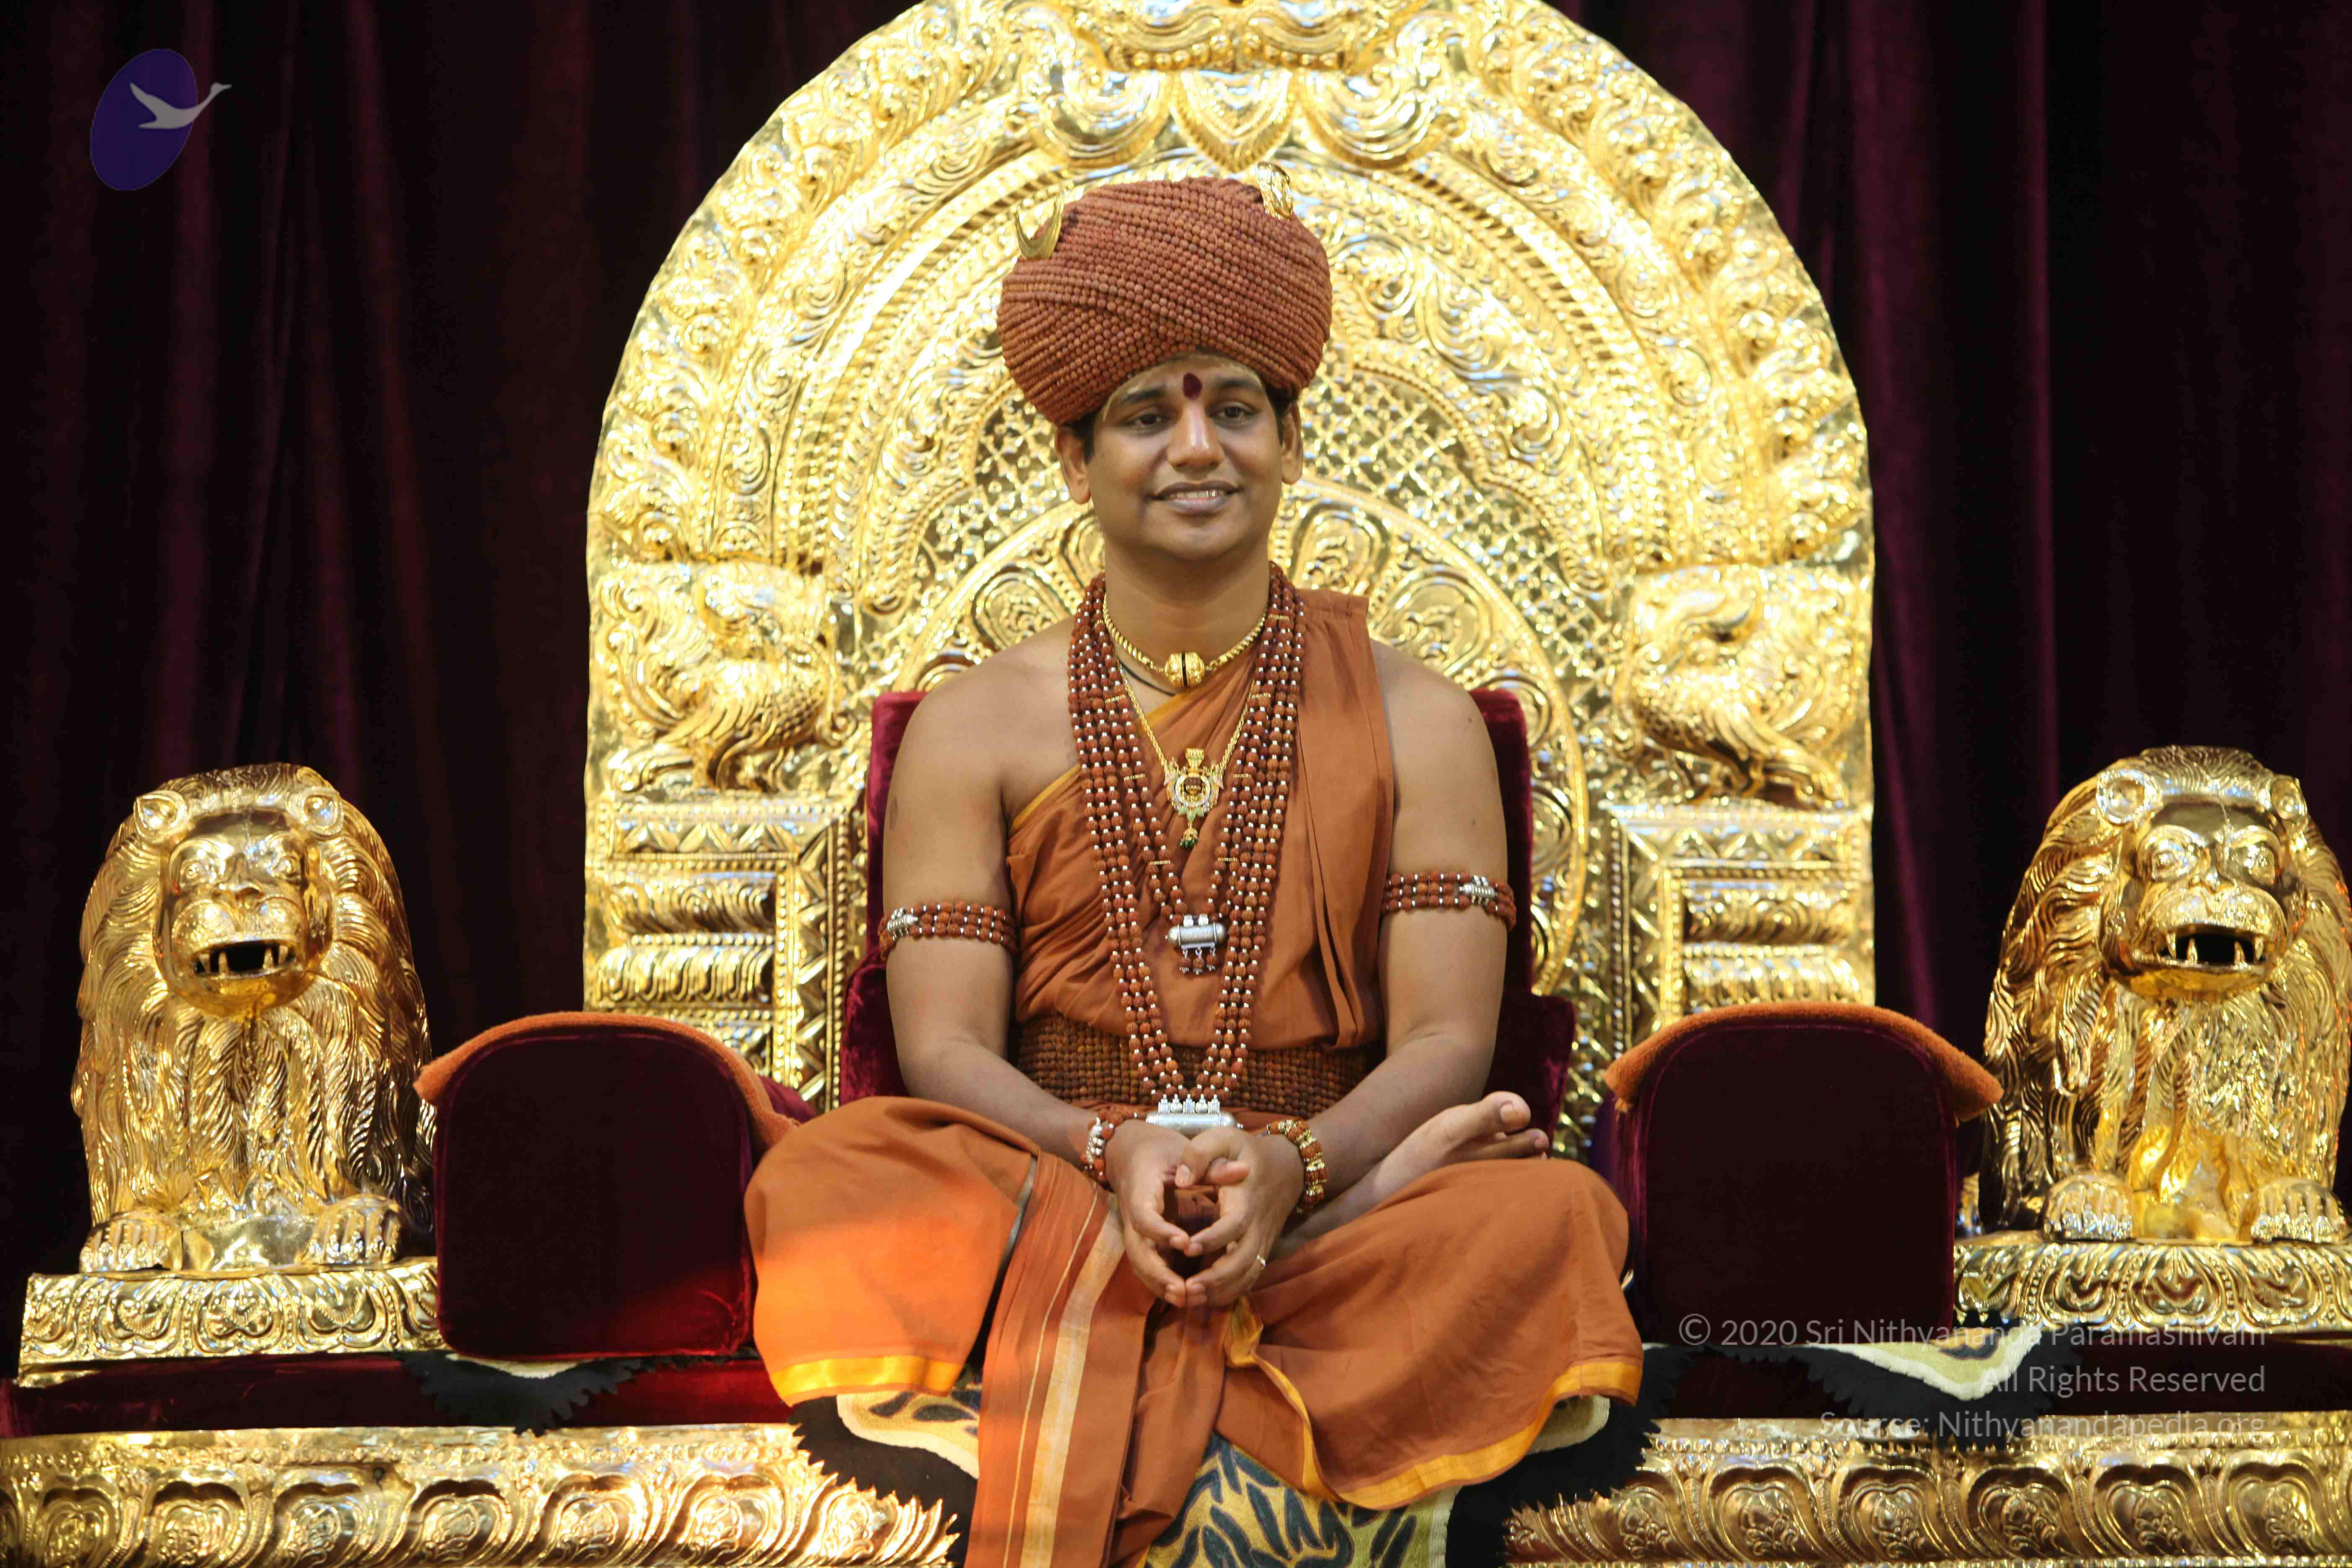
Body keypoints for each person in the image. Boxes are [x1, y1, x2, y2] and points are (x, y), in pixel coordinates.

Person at [744, 175, 1640, 1568]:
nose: (1197, 449)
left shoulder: (1421, 718)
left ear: (1292, 437)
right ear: (1073, 457)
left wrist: (1297, 1169)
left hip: (1326, 1177)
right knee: (834, 1182)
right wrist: (1113, 1156)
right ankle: (1231, 1282)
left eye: (1234, 407)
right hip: (1053, 1171)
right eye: (1146, 417)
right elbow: (943, 1048)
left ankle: (1292, 1244)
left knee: (1549, 1219)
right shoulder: (977, 724)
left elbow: (1449, 1040)